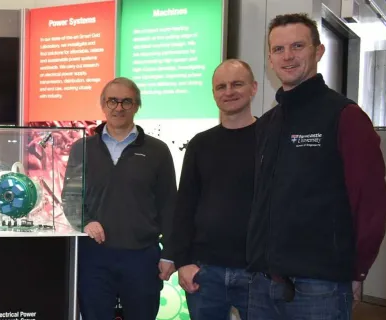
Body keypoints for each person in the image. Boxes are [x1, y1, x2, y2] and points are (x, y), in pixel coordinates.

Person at [247, 13, 386, 318]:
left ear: (318, 51)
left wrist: (358, 269)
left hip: (320, 287)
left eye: (297, 46)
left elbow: (371, 202)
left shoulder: (346, 116)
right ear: (270, 59)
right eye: (278, 49)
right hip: (263, 285)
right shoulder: (267, 124)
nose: (288, 56)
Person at [67, 77, 178, 320]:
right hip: (94, 256)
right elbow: (70, 197)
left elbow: (169, 205)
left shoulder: (157, 150)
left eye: (126, 101)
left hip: (142, 257)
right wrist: (85, 221)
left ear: (136, 106)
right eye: (112, 101)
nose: (119, 107)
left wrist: (169, 254)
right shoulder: (82, 148)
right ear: (103, 105)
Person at [169, 59, 258, 319]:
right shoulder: (200, 144)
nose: (228, 92)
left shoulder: (271, 138)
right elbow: (185, 205)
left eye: (237, 84)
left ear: (253, 88)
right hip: (205, 271)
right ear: (213, 93)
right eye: (221, 86)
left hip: (259, 273)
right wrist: (183, 261)